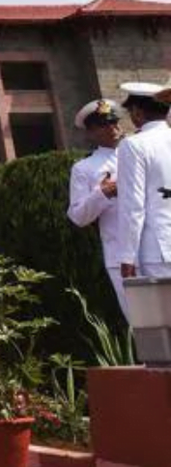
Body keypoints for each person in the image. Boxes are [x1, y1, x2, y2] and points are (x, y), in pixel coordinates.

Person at [68, 98, 131, 316]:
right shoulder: (85, 168)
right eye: (104, 125)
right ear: (91, 133)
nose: (112, 128)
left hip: (160, 244)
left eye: (114, 122)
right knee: (142, 322)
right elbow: (77, 216)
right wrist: (102, 194)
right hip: (121, 252)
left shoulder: (140, 152)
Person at [117, 82, 171, 304]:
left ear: (137, 112)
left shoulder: (134, 145)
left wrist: (127, 256)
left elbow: (133, 206)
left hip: (160, 248)